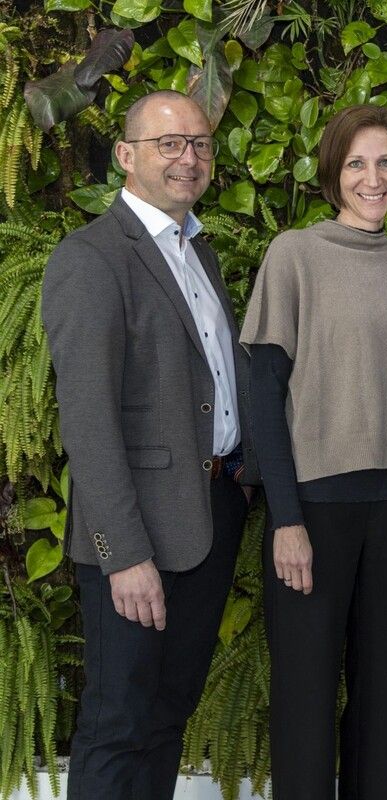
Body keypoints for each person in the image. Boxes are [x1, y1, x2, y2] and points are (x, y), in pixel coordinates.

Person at [41, 89, 257, 799]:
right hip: (138, 536)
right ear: (125, 156)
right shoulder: (92, 258)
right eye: (169, 143)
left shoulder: (198, 252)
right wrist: (123, 554)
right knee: (119, 724)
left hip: (208, 515)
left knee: (168, 716)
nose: (188, 157)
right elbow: (88, 420)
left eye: (199, 143)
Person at [240, 104, 387, 799]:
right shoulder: (294, 254)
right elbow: (263, 396)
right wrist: (286, 519)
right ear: (333, 171)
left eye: (386, 163)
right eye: (357, 163)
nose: (372, 178)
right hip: (315, 510)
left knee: (386, 700)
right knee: (306, 697)